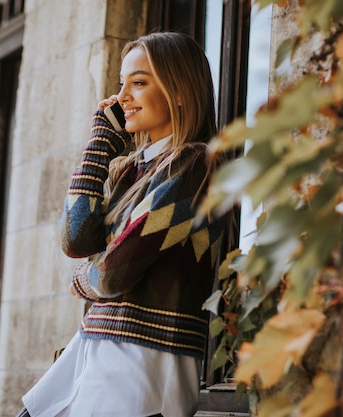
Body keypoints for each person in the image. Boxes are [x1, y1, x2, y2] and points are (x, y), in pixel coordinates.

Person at [16, 32, 226, 417]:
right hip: (97, 346)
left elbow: (115, 271)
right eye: (121, 84)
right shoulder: (131, 170)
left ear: (179, 92)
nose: (122, 97)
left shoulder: (197, 165)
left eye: (139, 82)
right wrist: (100, 141)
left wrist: (83, 280)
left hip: (144, 359)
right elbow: (76, 239)